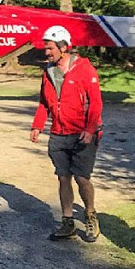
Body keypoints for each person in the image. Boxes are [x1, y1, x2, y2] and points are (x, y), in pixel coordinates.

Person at [30, 25, 104, 242]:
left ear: (64, 47)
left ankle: (90, 215)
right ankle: (67, 222)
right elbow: (44, 103)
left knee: (82, 179)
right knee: (63, 178)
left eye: (50, 48)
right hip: (58, 133)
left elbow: (96, 103)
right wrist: (37, 125)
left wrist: (90, 130)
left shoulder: (85, 69)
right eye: (46, 48)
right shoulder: (49, 72)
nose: (46, 52)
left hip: (82, 134)